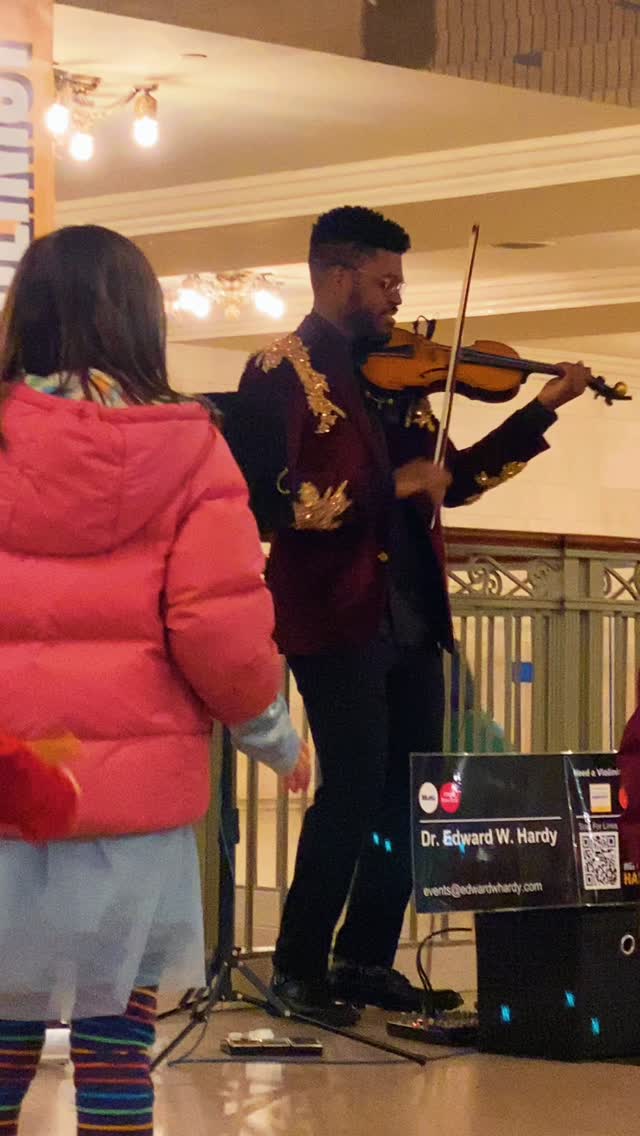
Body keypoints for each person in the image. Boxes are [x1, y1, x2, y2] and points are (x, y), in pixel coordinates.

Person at [231, 205, 592, 1026]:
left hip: (414, 615)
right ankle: (295, 967)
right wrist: (385, 489)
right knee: (351, 789)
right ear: (337, 274)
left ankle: (363, 959)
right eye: (386, 281)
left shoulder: (400, 382)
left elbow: (451, 480)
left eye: (400, 281)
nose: (398, 297)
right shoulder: (280, 369)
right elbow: (274, 501)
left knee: (408, 797)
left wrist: (543, 410)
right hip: (336, 613)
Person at [0, 224, 310, 1136]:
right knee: (113, 1038)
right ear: (144, 319)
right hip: (128, 817)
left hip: (7, 787)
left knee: (2, 1025)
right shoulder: (189, 450)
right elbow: (218, 627)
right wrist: (274, 736)